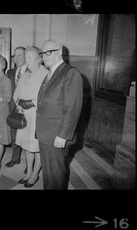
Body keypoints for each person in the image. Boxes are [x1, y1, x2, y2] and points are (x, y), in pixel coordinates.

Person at [36, 39, 83, 189]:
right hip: (45, 134)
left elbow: (72, 107)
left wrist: (63, 135)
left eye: (48, 52)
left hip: (57, 135)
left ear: (59, 52)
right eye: (42, 53)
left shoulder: (70, 73)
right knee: (49, 176)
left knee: (55, 178)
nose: (44, 57)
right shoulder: (50, 73)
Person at [13, 46, 48, 188]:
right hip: (24, 116)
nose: (27, 60)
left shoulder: (46, 74)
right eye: (26, 57)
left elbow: (47, 97)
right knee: (27, 147)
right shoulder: (25, 74)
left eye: (30, 57)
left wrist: (30, 103)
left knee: (37, 147)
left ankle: (35, 174)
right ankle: (28, 172)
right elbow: (16, 93)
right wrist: (19, 103)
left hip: (38, 116)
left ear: (39, 59)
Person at [5, 46, 28, 169]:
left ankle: (29, 164)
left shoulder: (31, 71)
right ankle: (15, 158)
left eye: (20, 55)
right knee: (15, 136)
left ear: (25, 56)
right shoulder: (10, 72)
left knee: (28, 136)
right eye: (15, 55)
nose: (16, 58)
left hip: (27, 109)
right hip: (13, 109)